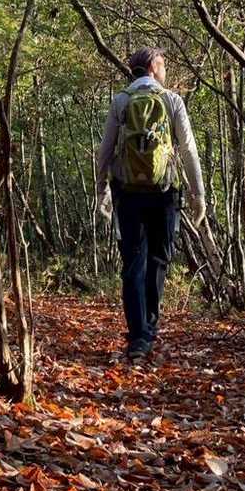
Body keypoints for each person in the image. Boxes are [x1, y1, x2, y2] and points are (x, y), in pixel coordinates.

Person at [95, 47, 205, 359]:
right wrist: (198, 195)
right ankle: (149, 329)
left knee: (133, 262)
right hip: (164, 192)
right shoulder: (172, 100)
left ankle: (138, 337)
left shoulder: (121, 100)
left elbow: (105, 150)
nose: (165, 70)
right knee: (159, 259)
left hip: (127, 192)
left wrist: (102, 190)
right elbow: (188, 149)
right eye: (163, 64)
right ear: (153, 67)